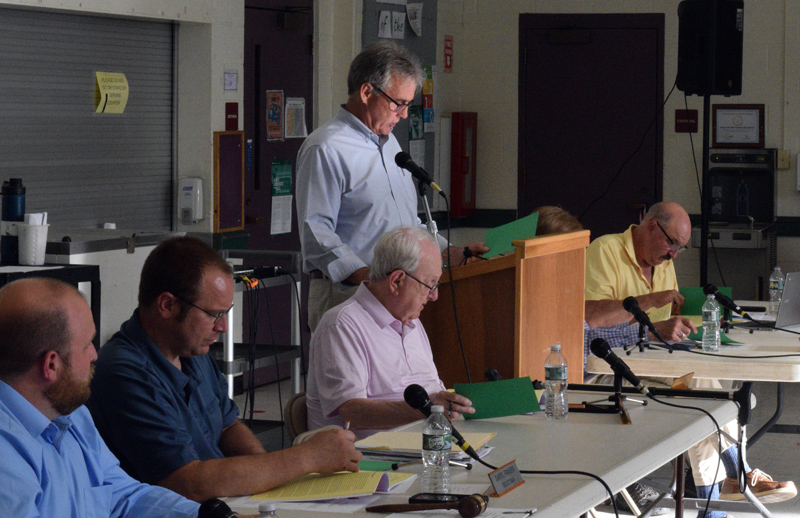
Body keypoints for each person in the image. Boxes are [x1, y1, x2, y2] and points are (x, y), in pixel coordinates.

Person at [87, 237, 361, 502]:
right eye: (213, 314)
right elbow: (187, 483)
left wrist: (265, 477)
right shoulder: (124, 372)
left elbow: (228, 426)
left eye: (225, 314)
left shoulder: (189, 348)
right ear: (167, 305)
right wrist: (306, 458)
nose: (223, 327)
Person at [584, 201, 796, 517]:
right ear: (652, 225)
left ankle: (726, 486)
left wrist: (684, 322)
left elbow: (665, 318)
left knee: (705, 396)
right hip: (608, 367)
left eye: (680, 249)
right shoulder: (605, 250)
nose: (673, 255)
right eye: (672, 243)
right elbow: (590, 317)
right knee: (703, 392)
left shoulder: (663, 259)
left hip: (656, 361)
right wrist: (652, 304)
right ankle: (736, 477)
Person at [296, 41, 487, 331]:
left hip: (399, 298)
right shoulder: (326, 148)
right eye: (399, 103)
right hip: (348, 297)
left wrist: (452, 255)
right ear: (366, 92)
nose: (404, 114)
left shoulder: (390, 144)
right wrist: (374, 282)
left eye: (409, 105)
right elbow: (317, 236)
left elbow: (408, 227)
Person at [0, 277, 201, 517]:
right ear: (51, 365)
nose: (95, 355)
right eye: (87, 345)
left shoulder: (72, 415)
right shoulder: (6, 459)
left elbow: (122, 497)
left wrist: (209, 516)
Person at [306, 227, 475, 437]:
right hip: (367, 458)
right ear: (396, 281)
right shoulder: (341, 324)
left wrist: (450, 404)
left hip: (422, 445)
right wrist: (426, 409)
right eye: (430, 285)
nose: (434, 296)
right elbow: (352, 413)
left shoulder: (411, 321)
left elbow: (433, 391)